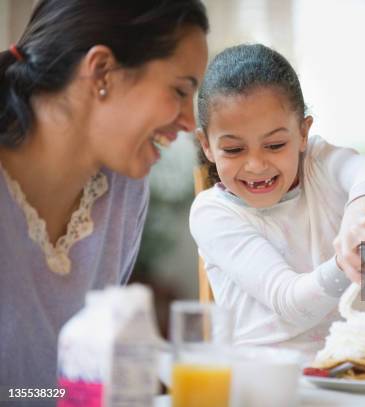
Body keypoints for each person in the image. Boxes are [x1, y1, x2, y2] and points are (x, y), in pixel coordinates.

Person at [0, 0, 209, 390]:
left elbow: (74, 388)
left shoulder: (125, 191)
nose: (189, 121)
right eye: (180, 90)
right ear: (102, 71)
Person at [189, 44, 365, 357]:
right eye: (234, 150)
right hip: (268, 383)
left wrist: (359, 211)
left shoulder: (317, 162)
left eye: (274, 145)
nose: (256, 165)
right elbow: (289, 301)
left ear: (303, 133)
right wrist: (347, 262)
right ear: (206, 146)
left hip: (362, 370)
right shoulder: (211, 212)